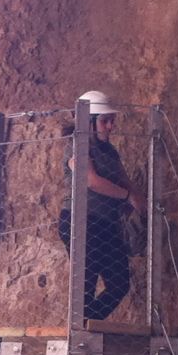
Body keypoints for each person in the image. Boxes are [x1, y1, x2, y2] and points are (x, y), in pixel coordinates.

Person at [63, 90, 144, 321]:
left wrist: (142, 204)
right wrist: (127, 196)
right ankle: (81, 329)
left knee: (119, 283)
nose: (110, 126)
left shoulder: (110, 152)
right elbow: (91, 181)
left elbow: (125, 181)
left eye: (112, 121)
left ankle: (87, 324)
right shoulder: (78, 145)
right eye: (105, 121)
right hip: (81, 220)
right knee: (85, 284)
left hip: (106, 224)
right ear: (89, 122)